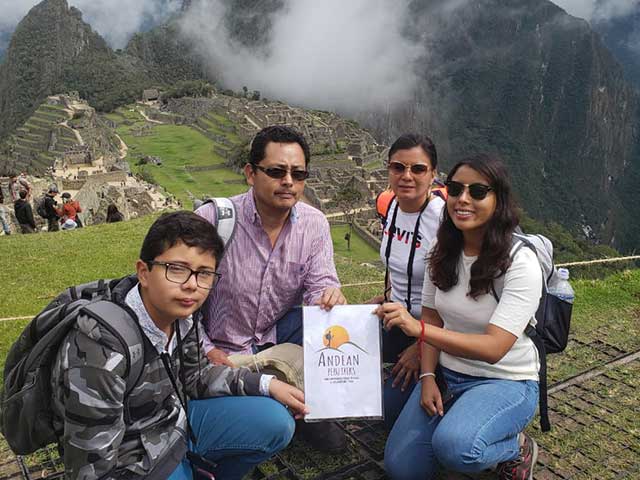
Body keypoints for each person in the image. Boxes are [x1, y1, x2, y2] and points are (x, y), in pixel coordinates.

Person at [50, 211, 306, 479]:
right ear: (144, 272)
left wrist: (266, 384)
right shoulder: (101, 347)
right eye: (177, 269)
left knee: (275, 422)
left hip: (172, 420)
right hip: (129, 454)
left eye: (204, 273)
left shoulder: (183, 316)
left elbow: (195, 376)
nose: (192, 285)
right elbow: (90, 465)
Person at [379, 155, 542, 480]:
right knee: (403, 469)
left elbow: (494, 348)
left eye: (477, 192)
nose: (463, 199)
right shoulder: (441, 251)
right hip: (447, 373)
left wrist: (416, 329)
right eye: (455, 189)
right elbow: (433, 320)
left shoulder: (519, 263)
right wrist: (428, 377)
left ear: (498, 201)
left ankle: (516, 447)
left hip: (504, 379)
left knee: (457, 448)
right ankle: (458, 423)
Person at [196, 125, 347, 451]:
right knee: (275, 423)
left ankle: (289, 395)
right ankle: (272, 399)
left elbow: (321, 282)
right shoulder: (213, 221)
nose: (288, 181)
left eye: (298, 173)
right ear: (251, 173)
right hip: (219, 347)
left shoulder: (314, 224)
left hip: (272, 334)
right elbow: (176, 303)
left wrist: (328, 296)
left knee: (333, 441)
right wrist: (206, 348)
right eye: (277, 171)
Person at [367, 133, 445, 427]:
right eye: (398, 167)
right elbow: (396, 264)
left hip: (433, 331)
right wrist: (386, 296)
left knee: (384, 412)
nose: (407, 176)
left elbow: (456, 299)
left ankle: (441, 382)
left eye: (418, 169)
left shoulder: (444, 221)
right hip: (397, 319)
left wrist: (420, 348)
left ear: (433, 173)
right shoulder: (390, 206)